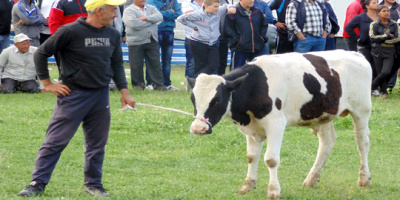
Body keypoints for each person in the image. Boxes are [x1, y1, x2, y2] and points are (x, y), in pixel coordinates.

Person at [18, 0, 136, 197]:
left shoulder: (113, 34)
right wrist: (48, 84)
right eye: (114, 10)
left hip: (100, 96)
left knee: (97, 144)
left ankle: (94, 184)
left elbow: (116, 64)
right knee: (55, 141)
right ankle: (36, 183)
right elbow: (41, 53)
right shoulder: (70, 31)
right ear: (99, 11)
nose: (116, 15)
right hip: (73, 95)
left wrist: (125, 92)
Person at [178, 0, 235, 77]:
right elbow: (181, 19)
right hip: (198, 42)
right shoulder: (198, 14)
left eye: (218, 6)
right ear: (206, 6)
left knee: (214, 64)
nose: (217, 8)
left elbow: (226, 6)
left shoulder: (219, 11)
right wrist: (194, 26)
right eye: (215, 7)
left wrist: (231, 7)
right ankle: (198, 85)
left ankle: (194, 79)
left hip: (213, 43)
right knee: (200, 65)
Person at [123, 0, 168, 90]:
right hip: (135, 41)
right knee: (136, 65)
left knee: (155, 64)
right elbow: (133, 24)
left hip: (152, 39)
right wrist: (151, 21)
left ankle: (159, 85)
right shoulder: (129, 10)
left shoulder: (151, 7)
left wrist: (144, 18)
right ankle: (138, 86)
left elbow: (159, 17)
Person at [146, 0, 182, 91]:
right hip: (156, 31)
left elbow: (178, 13)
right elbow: (154, 15)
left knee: (167, 60)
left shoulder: (173, 1)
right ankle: (150, 83)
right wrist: (170, 12)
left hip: (169, 30)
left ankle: (166, 83)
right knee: (153, 59)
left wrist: (161, 14)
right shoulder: (151, 1)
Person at [224, 0, 268, 69]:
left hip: (256, 49)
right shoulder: (233, 12)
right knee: (236, 74)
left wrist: (262, 38)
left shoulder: (258, 12)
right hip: (240, 49)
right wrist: (237, 41)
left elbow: (264, 25)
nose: (252, 0)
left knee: (256, 73)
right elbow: (228, 29)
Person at [369, 5, 400, 99]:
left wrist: (384, 40)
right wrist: (386, 36)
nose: (386, 13)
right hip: (377, 51)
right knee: (379, 72)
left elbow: (398, 38)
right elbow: (372, 37)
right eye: (384, 11)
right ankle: (384, 92)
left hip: (390, 50)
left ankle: (370, 87)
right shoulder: (374, 24)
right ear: (378, 13)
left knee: (386, 72)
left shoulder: (394, 24)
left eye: (388, 11)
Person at [345, 0, 379, 84]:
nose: (377, 4)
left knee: (377, 67)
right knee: (365, 66)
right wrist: (357, 38)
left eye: (377, 2)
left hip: (379, 46)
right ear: (367, 6)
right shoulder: (360, 17)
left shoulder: (380, 17)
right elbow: (348, 28)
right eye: (374, 3)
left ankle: (376, 87)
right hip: (365, 46)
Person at [379, 0, 400, 93]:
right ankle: (382, 85)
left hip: (397, 39)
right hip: (383, 40)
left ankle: (390, 85)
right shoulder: (378, 6)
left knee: (396, 63)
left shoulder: (398, 7)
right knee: (386, 64)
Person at [181, 0, 203, 79]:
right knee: (192, 63)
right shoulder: (187, 2)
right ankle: (189, 86)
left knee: (205, 63)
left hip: (207, 39)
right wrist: (208, 15)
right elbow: (190, 15)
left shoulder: (210, 2)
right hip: (191, 37)